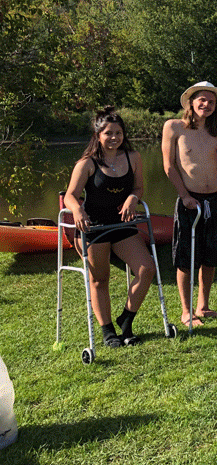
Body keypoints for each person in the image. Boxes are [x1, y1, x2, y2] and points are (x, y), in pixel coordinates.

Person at [64, 107, 156, 347]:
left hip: (122, 225)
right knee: (100, 280)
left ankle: (126, 318)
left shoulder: (133, 157)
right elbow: (70, 196)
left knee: (147, 269)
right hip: (94, 227)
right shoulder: (87, 163)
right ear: (98, 135)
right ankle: (107, 331)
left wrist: (132, 198)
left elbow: (138, 188)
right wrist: (77, 210)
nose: (114, 137)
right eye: (108, 133)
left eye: (118, 132)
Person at [162, 81, 217, 327]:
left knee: (211, 256)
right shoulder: (174, 127)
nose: (206, 104)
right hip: (189, 199)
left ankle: (202, 307)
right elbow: (169, 166)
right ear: (191, 102)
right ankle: (186, 311)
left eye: (211, 101)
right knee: (186, 256)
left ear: (216, 107)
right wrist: (184, 195)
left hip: (213, 199)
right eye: (201, 100)